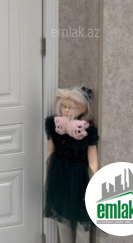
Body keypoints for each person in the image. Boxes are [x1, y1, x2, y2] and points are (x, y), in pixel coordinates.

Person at [45, 86, 99, 243]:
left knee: (82, 220)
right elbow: (50, 153)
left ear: (83, 109)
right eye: (63, 106)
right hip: (59, 175)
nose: (66, 110)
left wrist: (93, 184)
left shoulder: (87, 132)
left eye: (72, 107)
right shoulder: (55, 126)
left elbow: (93, 161)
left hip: (80, 178)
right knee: (62, 217)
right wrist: (49, 175)